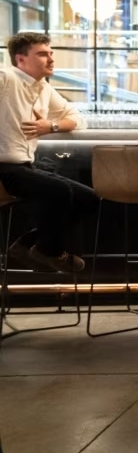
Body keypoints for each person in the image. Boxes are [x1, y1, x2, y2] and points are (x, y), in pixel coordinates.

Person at [0, 33, 96, 274]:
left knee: (89, 198)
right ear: (20, 59)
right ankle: (47, 251)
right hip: (3, 168)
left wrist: (50, 126)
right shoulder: (6, 77)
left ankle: (31, 246)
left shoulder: (42, 88)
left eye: (50, 53)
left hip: (23, 166)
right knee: (60, 192)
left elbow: (77, 119)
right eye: (43, 54)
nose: (51, 59)